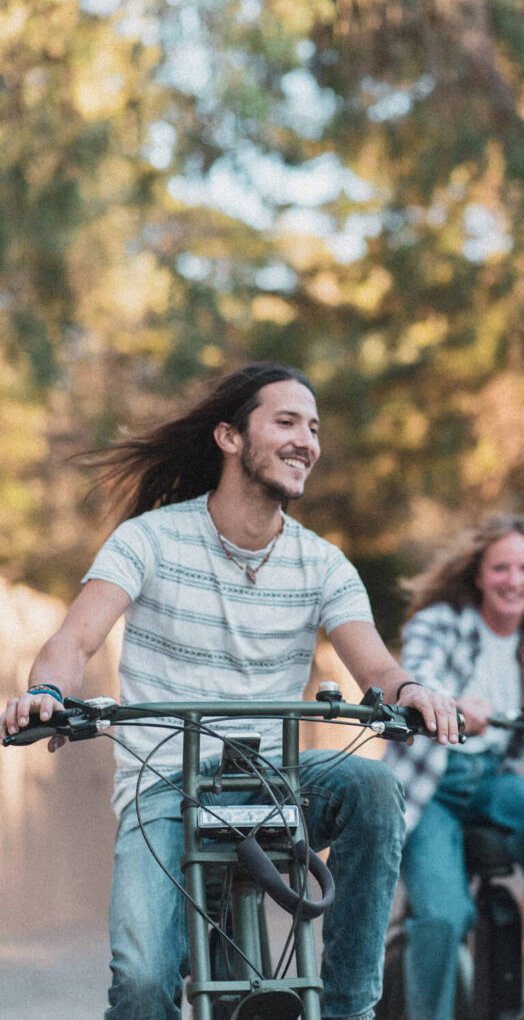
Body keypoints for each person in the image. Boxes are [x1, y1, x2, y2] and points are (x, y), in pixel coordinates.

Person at [0, 363, 469, 1020]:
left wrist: (411, 689)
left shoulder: (323, 564)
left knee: (373, 787)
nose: (307, 439)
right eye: (286, 421)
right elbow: (72, 641)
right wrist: (47, 693)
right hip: (165, 785)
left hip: (275, 778)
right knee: (141, 982)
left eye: (313, 427)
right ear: (228, 436)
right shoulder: (150, 539)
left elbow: (377, 668)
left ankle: (347, 1011)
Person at [383, 514, 524, 1020]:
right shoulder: (441, 622)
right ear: (479, 575)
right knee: (444, 918)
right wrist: (453, 707)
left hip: (491, 780)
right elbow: (417, 681)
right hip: (432, 784)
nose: (514, 580)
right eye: (501, 568)